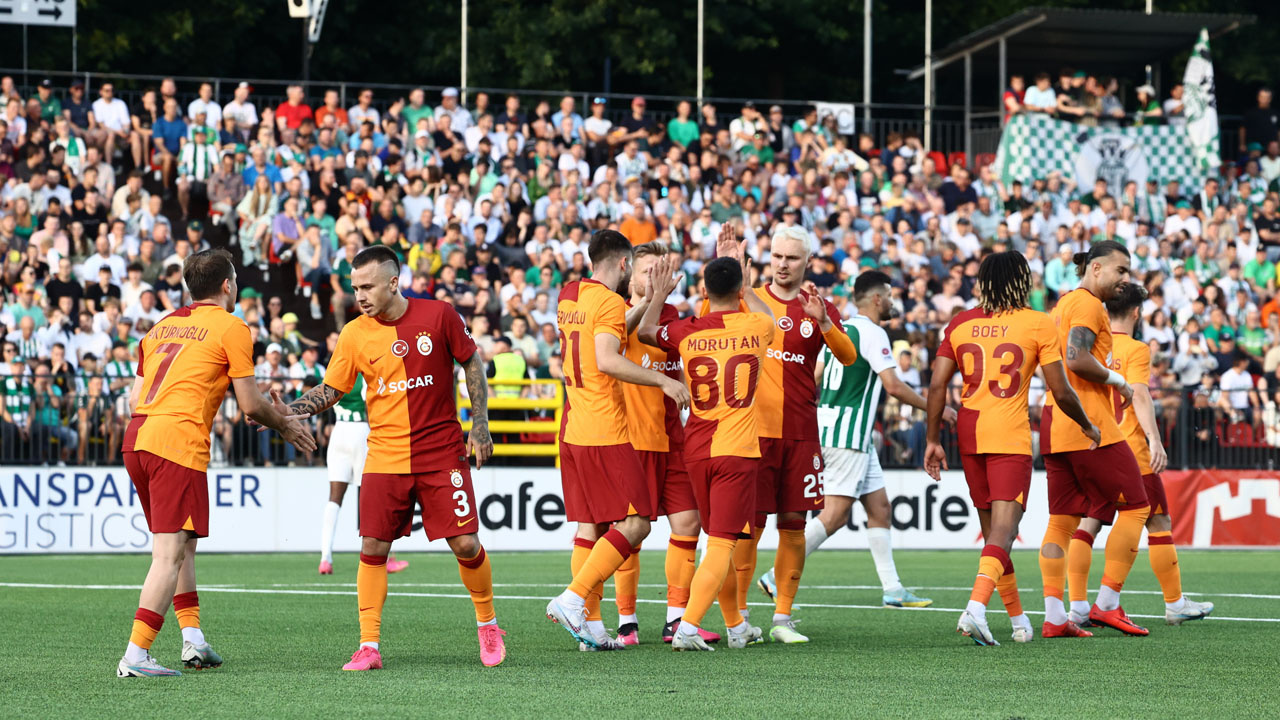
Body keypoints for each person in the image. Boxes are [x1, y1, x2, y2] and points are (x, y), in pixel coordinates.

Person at [282, 245, 505, 670]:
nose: (359, 295)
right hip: (384, 455)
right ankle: (369, 646)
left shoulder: (439, 315)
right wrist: (285, 412)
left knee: (466, 542)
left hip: (441, 453)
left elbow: (470, 361)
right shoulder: (353, 334)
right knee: (372, 546)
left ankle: (488, 624)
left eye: (367, 287)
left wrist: (480, 423)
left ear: (393, 282)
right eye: (355, 288)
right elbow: (330, 391)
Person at [116, 249, 316, 678]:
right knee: (169, 554)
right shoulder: (231, 326)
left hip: (138, 438)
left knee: (182, 544)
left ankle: (193, 641)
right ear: (228, 285)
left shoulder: (160, 326)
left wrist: (269, 413)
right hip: (177, 441)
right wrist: (283, 422)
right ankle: (135, 655)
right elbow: (249, 403)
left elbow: (135, 398)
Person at [924, 252, 1098, 646]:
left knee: (994, 538)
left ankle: (1019, 621)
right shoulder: (1036, 322)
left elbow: (936, 388)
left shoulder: (960, 322)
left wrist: (933, 439)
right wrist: (1087, 424)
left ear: (983, 281)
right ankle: (976, 608)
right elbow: (1060, 389)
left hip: (969, 432)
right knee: (1005, 531)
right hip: (1008, 434)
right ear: (1023, 280)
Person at [757, 270, 953, 609]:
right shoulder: (874, 333)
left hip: (838, 430)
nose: (894, 302)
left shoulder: (838, 328)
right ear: (876, 299)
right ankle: (775, 575)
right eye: (890, 295)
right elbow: (893, 385)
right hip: (848, 434)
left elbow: (815, 374)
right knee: (834, 515)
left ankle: (892, 588)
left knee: (880, 509)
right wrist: (936, 407)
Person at [543, 230, 690, 650]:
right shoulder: (609, 301)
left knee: (589, 526)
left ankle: (590, 625)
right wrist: (662, 380)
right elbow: (607, 358)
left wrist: (644, 303)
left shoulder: (571, 294)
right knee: (637, 522)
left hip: (574, 429)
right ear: (625, 264)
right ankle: (573, 600)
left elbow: (601, 335)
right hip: (605, 430)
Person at [723, 224, 858, 644]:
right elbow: (715, 325)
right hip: (754, 432)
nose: (783, 264)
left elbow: (848, 357)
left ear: (807, 262)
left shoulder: (817, 306)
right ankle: (741, 617)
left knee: (794, 525)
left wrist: (824, 324)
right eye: (778, 256)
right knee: (751, 526)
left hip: (800, 430)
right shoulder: (750, 297)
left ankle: (782, 617)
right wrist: (728, 268)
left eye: (792, 258)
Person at [636, 250, 773, 651]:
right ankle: (688, 626)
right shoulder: (757, 324)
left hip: (696, 449)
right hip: (737, 450)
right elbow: (774, 319)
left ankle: (736, 626)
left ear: (704, 291)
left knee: (719, 540)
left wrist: (658, 295)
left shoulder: (686, 330)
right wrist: (747, 284)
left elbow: (646, 332)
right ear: (740, 288)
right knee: (723, 543)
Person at [1065, 283, 1215, 626]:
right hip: (1129, 449)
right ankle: (1170, 603)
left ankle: (1076, 607)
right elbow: (1141, 396)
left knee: (1089, 522)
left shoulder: (1092, 346)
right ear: (1137, 313)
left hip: (1092, 446)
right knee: (1157, 520)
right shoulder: (1135, 348)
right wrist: (1155, 440)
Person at [1039, 241, 1153, 638]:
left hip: (1055, 421)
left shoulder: (1063, 306)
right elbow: (1076, 359)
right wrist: (1119, 381)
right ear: (1097, 268)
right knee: (1139, 506)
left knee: (1062, 521)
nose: (1127, 279)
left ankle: (1056, 616)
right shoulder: (1088, 304)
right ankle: (1106, 604)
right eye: (1121, 271)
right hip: (1091, 425)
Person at [610, 241, 720, 646]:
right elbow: (623, 334)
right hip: (629, 438)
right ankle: (626, 622)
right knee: (630, 531)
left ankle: (677, 619)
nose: (655, 277)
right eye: (648, 271)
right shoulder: (614, 311)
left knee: (689, 522)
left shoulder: (673, 319)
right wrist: (651, 299)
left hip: (674, 438)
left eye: (663, 269)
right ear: (630, 275)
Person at [317, 374, 410, 576]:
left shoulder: (335, 370)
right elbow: (370, 404)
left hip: (339, 430)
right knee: (372, 496)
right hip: (361, 431)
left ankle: (325, 558)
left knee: (334, 498)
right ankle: (381, 558)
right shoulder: (364, 374)